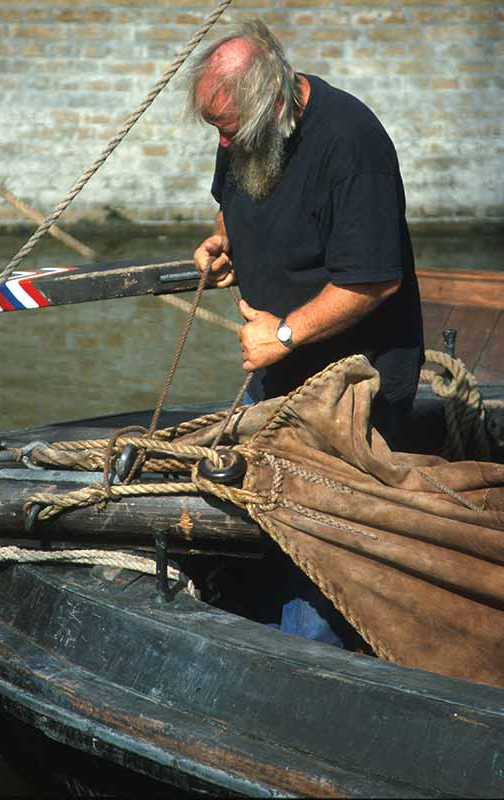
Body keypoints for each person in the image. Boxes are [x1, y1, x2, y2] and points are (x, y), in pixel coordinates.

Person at [186, 19, 424, 646]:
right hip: (276, 377)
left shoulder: (352, 144)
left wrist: (283, 335)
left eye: (229, 130)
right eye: (217, 130)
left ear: (272, 104)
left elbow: (373, 281)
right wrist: (224, 238)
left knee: (318, 585)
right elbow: (233, 195)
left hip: (354, 385)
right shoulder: (244, 129)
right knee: (240, 531)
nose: (223, 141)